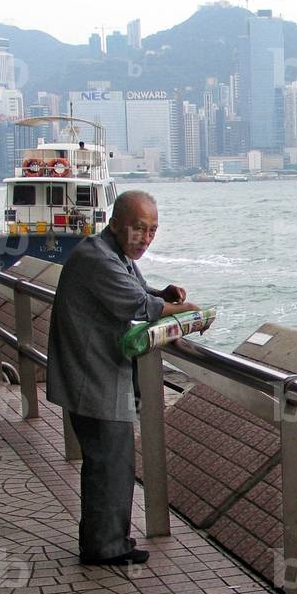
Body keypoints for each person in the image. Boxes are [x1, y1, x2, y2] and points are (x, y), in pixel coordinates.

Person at [47, 191, 198, 565]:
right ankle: (104, 547)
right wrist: (189, 311)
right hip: (92, 376)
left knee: (112, 461)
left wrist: (163, 293)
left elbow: (139, 291)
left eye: (152, 230)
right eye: (138, 229)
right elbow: (137, 305)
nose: (145, 238)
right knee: (109, 463)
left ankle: (109, 539)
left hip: (99, 373)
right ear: (115, 224)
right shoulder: (96, 258)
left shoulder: (110, 252)